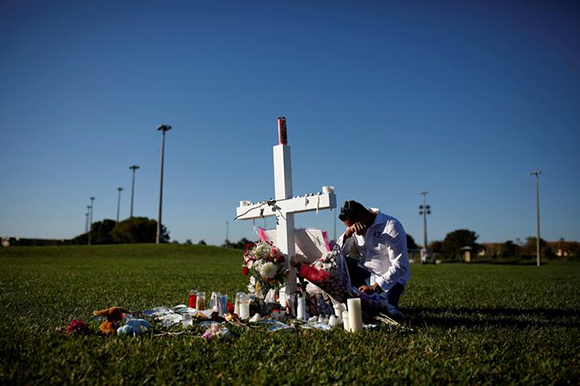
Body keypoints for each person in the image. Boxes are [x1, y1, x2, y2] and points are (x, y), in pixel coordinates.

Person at [337, 200, 410, 319]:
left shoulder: (391, 226)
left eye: (351, 225)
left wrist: (375, 287)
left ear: (361, 216)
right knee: (341, 262)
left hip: (389, 279)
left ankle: (381, 302)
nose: (352, 228)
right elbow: (338, 253)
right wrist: (347, 234)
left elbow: (400, 265)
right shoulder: (355, 228)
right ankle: (350, 299)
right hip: (365, 273)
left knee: (384, 313)